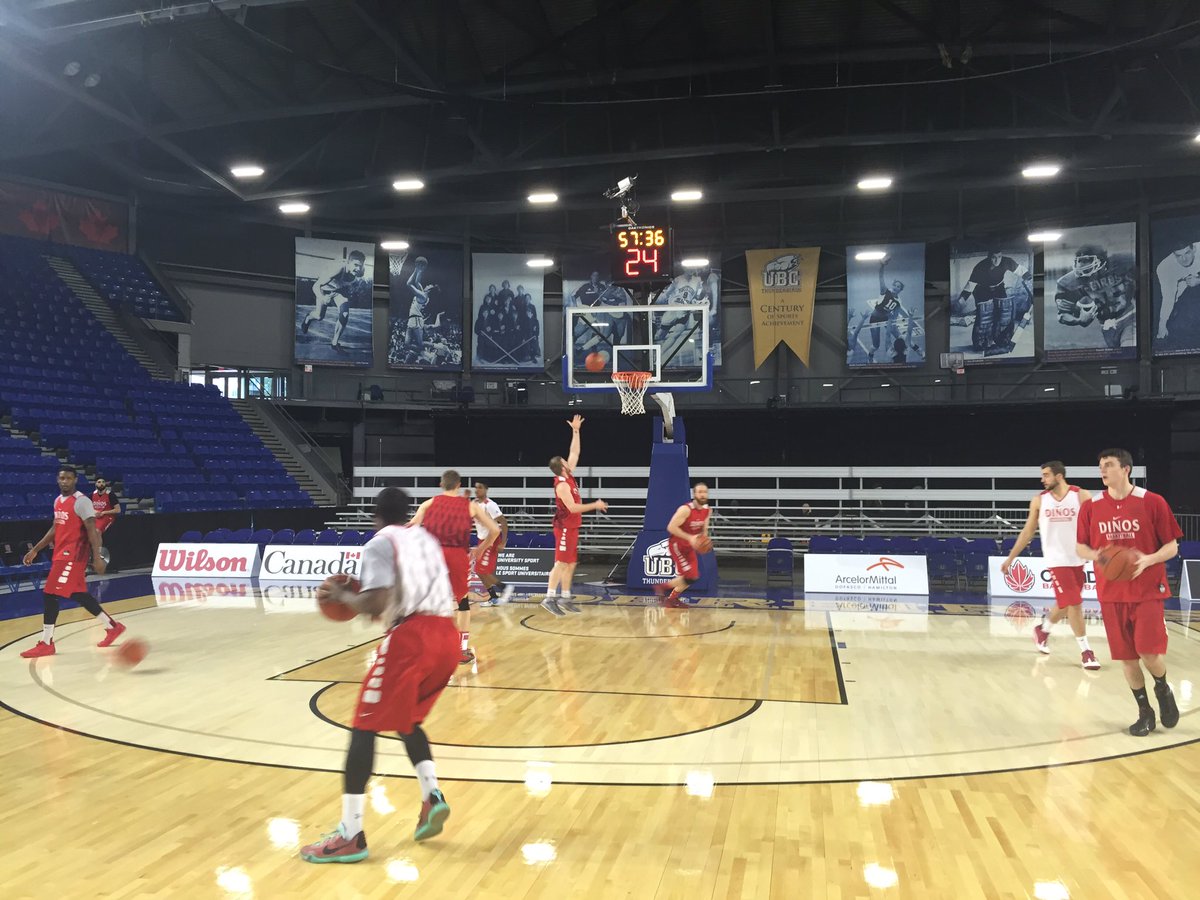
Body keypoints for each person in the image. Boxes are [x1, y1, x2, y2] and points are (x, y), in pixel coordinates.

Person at [300, 488, 459, 863]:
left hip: (413, 638)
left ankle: (350, 834)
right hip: (447, 637)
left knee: (363, 726)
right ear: (407, 513)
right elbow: (399, 594)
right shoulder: (425, 538)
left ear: (375, 515)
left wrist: (342, 595)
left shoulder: (378, 543)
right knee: (408, 721)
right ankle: (431, 795)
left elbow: (374, 601)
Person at [1075, 448, 1183, 736]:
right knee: (1127, 658)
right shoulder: (1092, 506)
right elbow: (1080, 547)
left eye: (1109, 465)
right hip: (1111, 592)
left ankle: (1162, 687)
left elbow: (1172, 546)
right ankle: (1144, 712)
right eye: (1100, 466)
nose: (1103, 470)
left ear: (1126, 469)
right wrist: (1100, 555)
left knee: (1148, 652)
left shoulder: (1152, 502)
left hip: (1147, 589)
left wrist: (1148, 559)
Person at [1000, 461, 1099, 670]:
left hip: (1078, 558)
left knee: (1065, 603)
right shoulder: (1039, 501)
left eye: (1046, 475)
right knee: (1074, 603)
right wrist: (1010, 558)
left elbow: (1096, 525)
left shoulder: (1081, 495)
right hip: (1056, 560)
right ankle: (1086, 652)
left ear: (1059, 476)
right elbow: (1027, 531)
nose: (1042, 479)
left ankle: (1043, 630)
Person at [19, 466, 122, 658]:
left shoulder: (82, 502)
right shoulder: (58, 501)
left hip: (73, 556)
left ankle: (47, 642)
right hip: (61, 554)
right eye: (61, 478)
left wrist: (97, 556)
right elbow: (55, 528)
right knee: (79, 594)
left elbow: (93, 531)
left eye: (68, 478)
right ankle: (112, 627)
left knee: (50, 593)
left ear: (75, 480)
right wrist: (35, 549)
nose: (64, 481)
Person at [409, 470, 500, 664]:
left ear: (441, 485)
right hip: (458, 556)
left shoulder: (429, 503)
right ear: (458, 485)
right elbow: (495, 529)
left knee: (430, 603)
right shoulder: (470, 506)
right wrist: (481, 549)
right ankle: (461, 650)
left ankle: (428, 647)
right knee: (462, 603)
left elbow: (412, 527)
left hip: (434, 555)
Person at [543, 415, 608, 616]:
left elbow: (575, 451)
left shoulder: (568, 475)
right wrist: (595, 504)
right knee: (561, 562)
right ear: (562, 467)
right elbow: (572, 508)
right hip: (563, 526)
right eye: (565, 461)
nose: (568, 460)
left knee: (571, 563)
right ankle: (549, 597)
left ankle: (565, 596)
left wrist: (576, 430)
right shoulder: (562, 485)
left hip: (572, 526)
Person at [1054, 245, 1137, 350]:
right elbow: (1063, 314)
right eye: (1079, 261)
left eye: (1087, 260)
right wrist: (1079, 320)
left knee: (1128, 349)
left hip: (1129, 318)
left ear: (1101, 261)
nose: (1081, 265)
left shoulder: (1122, 263)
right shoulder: (1070, 282)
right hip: (1107, 327)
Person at [954, 250, 1033, 354]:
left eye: (999, 257)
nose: (997, 260)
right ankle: (980, 343)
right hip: (981, 290)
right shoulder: (980, 267)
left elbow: (1022, 271)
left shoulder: (1006, 262)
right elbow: (970, 286)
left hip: (999, 288)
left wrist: (1030, 281)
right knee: (984, 317)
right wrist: (961, 300)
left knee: (1003, 314)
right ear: (989, 257)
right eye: (994, 257)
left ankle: (1001, 340)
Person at [301, 249, 370, 351]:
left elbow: (354, 274)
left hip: (338, 291)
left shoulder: (360, 272)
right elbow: (316, 286)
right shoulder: (337, 269)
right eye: (355, 265)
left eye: (360, 266)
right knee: (319, 316)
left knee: (344, 313)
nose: (358, 268)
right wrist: (323, 297)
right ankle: (308, 318)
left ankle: (335, 342)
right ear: (348, 263)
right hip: (323, 290)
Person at [656, 482, 711, 608]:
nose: (703, 494)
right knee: (688, 576)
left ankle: (672, 599)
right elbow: (670, 527)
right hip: (677, 544)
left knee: (693, 577)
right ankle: (662, 587)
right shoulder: (685, 509)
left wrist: (703, 541)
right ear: (694, 494)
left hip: (690, 545)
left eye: (705, 492)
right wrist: (690, 538)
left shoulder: (707, 510)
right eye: (700, 492)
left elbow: (704, 529)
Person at [472, 482, 513, 606]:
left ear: (486, 489)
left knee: (482, 570)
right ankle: (493, 597)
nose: (477, 490)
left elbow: (504, 523)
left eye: (480, 487)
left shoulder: (490, 505)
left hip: (491, 540)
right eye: (476, 487)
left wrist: (503, 542)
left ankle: (505, 588)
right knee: (479, 571)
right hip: (481, 539)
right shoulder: (474, 504)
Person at [1155, 239, 1200, 343]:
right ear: (1173, 255)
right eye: (1178, 256)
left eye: (1187, 253)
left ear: (1194, 249)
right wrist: (1162, 325)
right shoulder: (1165, 267)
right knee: (1176, 324)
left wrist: (1198, 281)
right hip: (1182, 282)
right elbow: (1168, 298)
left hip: (1196, 278)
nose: (1184, 259)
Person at [91, 475, 119, 561]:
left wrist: (104, 512)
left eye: (103, 482)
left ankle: (98, 553)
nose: (101, 484)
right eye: (99, 482)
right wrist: (95, 512)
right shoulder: (92, 494)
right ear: (95, 484)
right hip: (96, 516)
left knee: (97, 531)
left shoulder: (110, 494)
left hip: (108, 516)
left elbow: (118, 510)